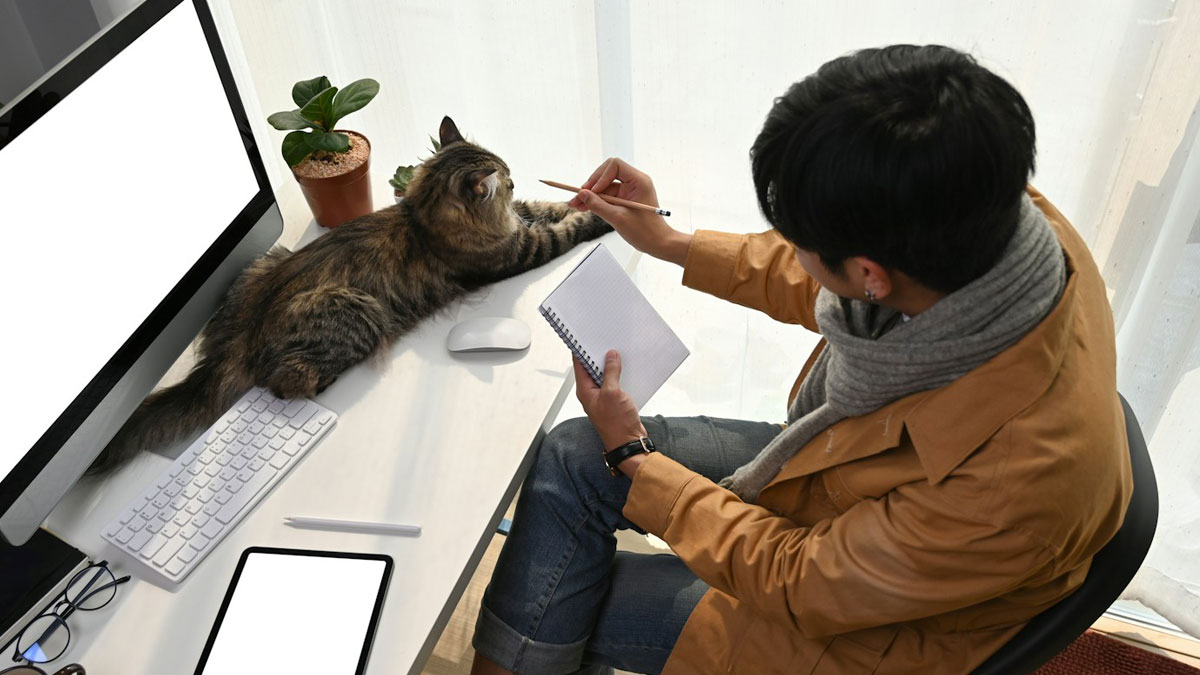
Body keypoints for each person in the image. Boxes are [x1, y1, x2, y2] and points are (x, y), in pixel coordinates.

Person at [470, 44, 1132, 675]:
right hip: (854, 472)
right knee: (572, 452)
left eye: (803, 237)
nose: (792, 247)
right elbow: (823, 273)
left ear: (871, 274)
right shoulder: (998, 217)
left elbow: (798, 579)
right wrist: (669, 240)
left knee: (559, 594)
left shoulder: (1013, 487)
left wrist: (633, 457)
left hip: (862, 633)